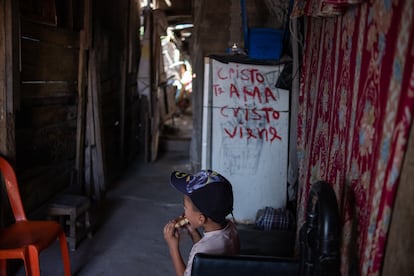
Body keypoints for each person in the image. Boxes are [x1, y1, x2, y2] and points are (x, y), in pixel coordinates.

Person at [163, 170, 240, 276]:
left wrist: (173, 246)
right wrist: (193, 231)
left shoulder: (200, 250)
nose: (184, 212)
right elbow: (206, 257)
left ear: (201, 219)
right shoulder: (231, 228)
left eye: (185, 207)